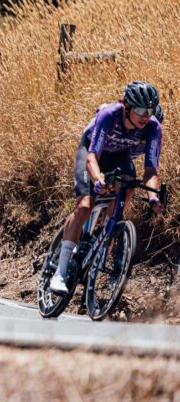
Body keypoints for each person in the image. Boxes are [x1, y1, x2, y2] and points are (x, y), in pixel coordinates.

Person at [49, 81, 164, 294]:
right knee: (85, 206)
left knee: (128, 186)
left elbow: (150, 170)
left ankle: (107, 233)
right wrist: (97, 180)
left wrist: (153, 197)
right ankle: (60, 272)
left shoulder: (153, 127)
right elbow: (92, 156)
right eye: (141, 110)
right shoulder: (110, 114)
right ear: (127, 107)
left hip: (119, 156)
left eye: (150, 110)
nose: (146, 115)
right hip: (92, 152)